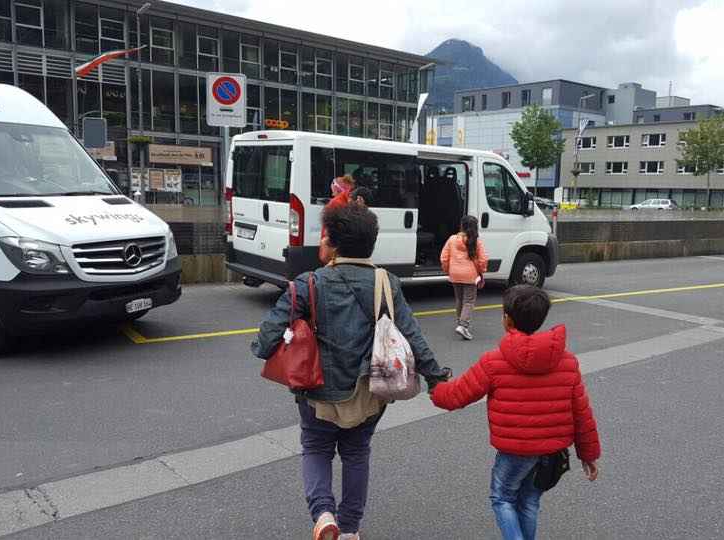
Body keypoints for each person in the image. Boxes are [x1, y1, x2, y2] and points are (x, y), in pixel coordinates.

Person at [252, 204, 451, 540]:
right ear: (371, 242)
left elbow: (268, 336)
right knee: (357, 453)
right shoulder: (386, 282)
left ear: (331, 240)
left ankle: (324, 514)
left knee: (316, 447)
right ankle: (350, 529)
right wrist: (436, 378)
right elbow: (412, 333)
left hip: (318, 392)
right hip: (370, 392)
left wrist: (266, 346)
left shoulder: (308, 283)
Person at [430, 286, 601, 540]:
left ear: (507, 320)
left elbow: (457, 395)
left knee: (502, 497)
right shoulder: (567, 361)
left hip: (514, 452)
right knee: (529, 501)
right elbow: (581, 412)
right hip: (550, 452)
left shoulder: (494, 361)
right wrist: (588, 454)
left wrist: (435, 389)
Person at [440, 215, 488, 340]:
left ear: (461, 226)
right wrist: (481, 273)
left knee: (459, 299)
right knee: (469, 301)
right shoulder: (476, 242)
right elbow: (483, 260)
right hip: (470, 275)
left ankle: (459, 322)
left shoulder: (452, 239)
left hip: (455, 274)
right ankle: (463, 325)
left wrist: (448, 270)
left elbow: (444, 257)